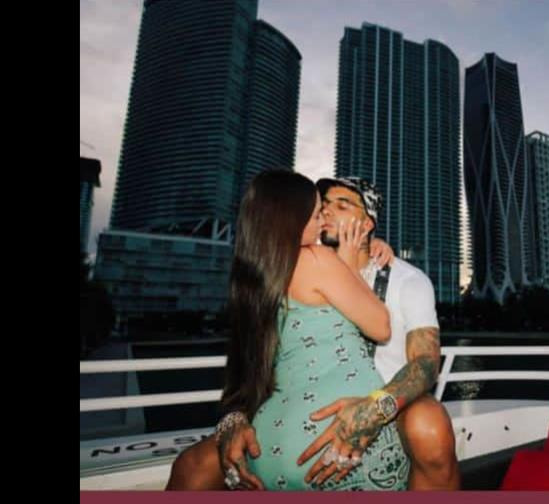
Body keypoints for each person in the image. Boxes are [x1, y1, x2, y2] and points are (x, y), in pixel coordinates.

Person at [165, 176, 459, 491]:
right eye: (322, 205)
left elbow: (426, 362)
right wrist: (234, 417)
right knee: (193, 465)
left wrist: (373, 409)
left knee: (429, 423)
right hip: (298, 408)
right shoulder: (289, 265)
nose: (327, 212)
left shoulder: (407, 280)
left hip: (388, 401)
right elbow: (251, 359)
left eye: (341, 205)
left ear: (367, 223)